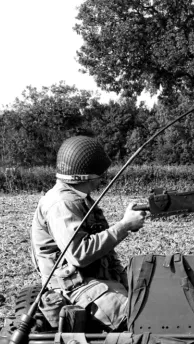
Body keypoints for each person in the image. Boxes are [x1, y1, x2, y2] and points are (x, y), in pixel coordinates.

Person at [30, 135, 146, 330]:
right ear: (86, 175)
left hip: (96, 281)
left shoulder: (78, 198)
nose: (102, 178)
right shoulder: (62, 204)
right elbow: (78, 254)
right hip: (78, 287)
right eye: (99, 173)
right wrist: (124, 225)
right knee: (144, 320)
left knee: (158, 303)